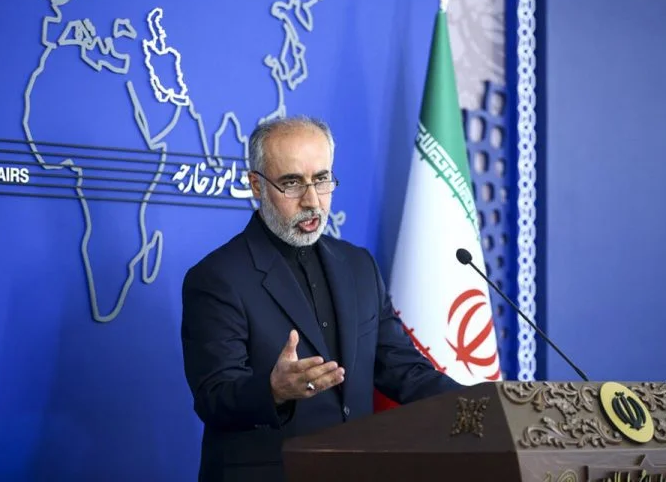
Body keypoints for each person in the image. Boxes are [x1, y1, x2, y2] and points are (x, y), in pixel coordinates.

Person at [181, 116, 462, 482]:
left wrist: (485, 403)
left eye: (322, 179)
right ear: (256, 185)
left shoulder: (359, 266)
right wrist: (273, 390)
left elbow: (402, 369)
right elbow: (214, 396)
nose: (312, 201)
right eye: (292, 183)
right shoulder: (218, 277)